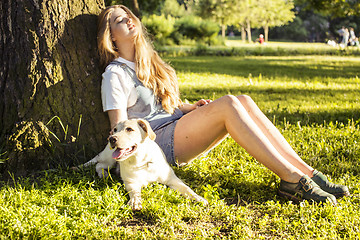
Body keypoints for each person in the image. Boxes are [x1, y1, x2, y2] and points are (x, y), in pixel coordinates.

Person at [97, 5, 350, 205]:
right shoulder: (115, 74)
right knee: (229, 104)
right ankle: (292, 180)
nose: (129, 19)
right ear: (112, 38)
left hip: (176, 124)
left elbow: (161, 104)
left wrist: (188, 108)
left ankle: (307, 173)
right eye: (120, 20)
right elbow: (119, 130)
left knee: (244, 101)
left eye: (129, 15)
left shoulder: (147, 61)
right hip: (158, 143)